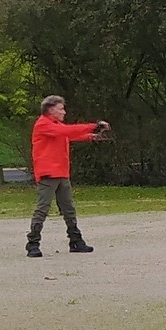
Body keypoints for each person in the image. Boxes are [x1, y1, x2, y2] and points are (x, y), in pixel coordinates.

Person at [26, 95, 108, 258]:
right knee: (43, 208)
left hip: (61, 173)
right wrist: (93, 126)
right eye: (61, 108)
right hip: (48, 173)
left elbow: (67, 135)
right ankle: (33, 243)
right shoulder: (43, 124)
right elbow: (66, 131)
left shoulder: (55, 125)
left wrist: (91, 137)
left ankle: (75, 241)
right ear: (50, 110)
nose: (64, 112)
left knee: (68, 209)